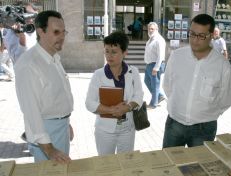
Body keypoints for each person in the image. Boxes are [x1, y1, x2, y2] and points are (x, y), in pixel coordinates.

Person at [162, 14, 231, 148]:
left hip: (204, 129)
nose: (195, 40)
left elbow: (226, 100)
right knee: (169, 165)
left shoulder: (222, 65)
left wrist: (207, 114)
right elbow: (167, 86)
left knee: (198, 168)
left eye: (201, 36)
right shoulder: (177, 57)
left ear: (212, 35)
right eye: (192, 34)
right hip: (175, 123)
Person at [14, 10, 74, 163]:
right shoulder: (29, 64)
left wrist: (66, 123)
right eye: (56, 32)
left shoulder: (53, 57)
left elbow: (56, 97)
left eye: (63, 32)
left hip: (61, 128)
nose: (62, 37)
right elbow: (31, 111)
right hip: (46, 136)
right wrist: (49, 149)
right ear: (41, 31)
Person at [85, 31, 144, 156]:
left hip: (127, 128)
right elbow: (89, 103)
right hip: (105, 130)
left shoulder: (133, 72)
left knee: (126, 162)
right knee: (106, 165)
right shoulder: (98, 74)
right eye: (107, 51)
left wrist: (127, 107)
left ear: (124, 52)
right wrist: (112, 110)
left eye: (114, 52)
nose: (109, 56)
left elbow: (139, 95)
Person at [144, 22, 166, 109]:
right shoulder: (150, 40)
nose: (150, 30)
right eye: (149, 29)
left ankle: (153, 104)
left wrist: (156, 68)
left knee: (155, 84)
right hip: (149, 64)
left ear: (157, 29)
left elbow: (160, 55)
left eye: (152, 29)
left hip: (155, 65)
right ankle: (160, 96)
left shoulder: (159, 39)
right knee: (147, 81)